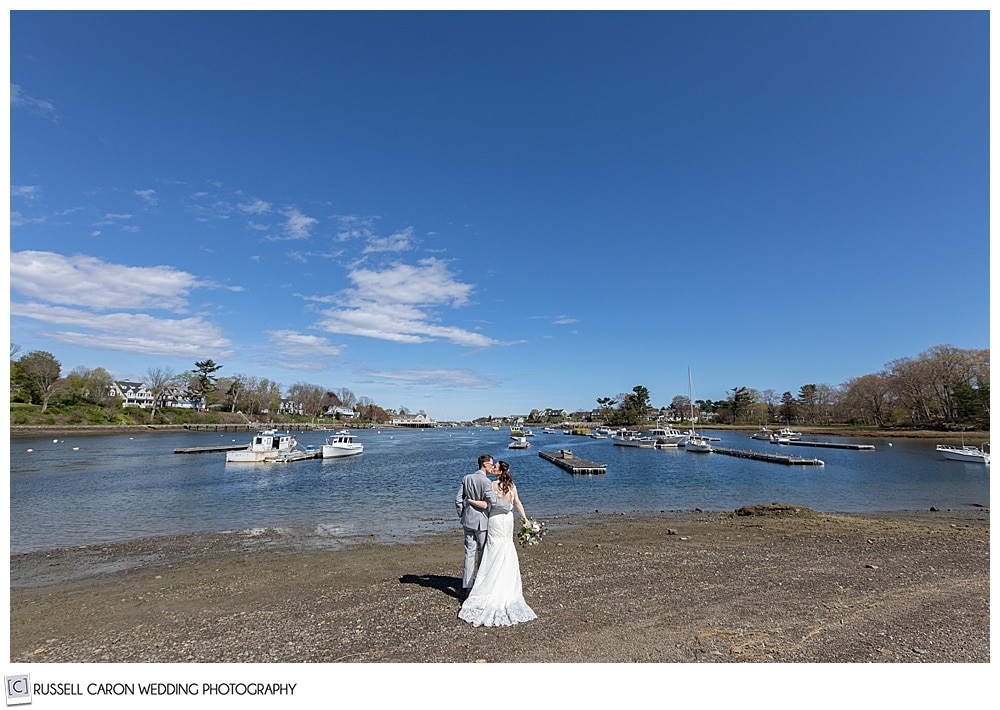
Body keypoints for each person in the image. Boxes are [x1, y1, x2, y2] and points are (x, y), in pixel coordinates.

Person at [458, 460, 537, 627]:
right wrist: (525, 519)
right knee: (506, 548)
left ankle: (486, 584)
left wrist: (470, 502)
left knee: (493, 550)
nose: (493, 468)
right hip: (507, 521)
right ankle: (506, 586)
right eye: (492, 466)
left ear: (499, 471)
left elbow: (489, 504)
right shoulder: (512, 485)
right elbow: (517, 503)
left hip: (495, 519)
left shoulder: (492, 485)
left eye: (495, 467)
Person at [455, 454, 496, 599]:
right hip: (482, 521)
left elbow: (458, 499)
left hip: (468, 520)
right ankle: (480, 583)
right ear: (484, 464)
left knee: (469, 553)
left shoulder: (467, 478)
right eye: (491, 464)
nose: (493, 466)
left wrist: (462, 514)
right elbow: (493, 501)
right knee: (482, 553)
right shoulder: (486, 482)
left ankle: (467, 585)